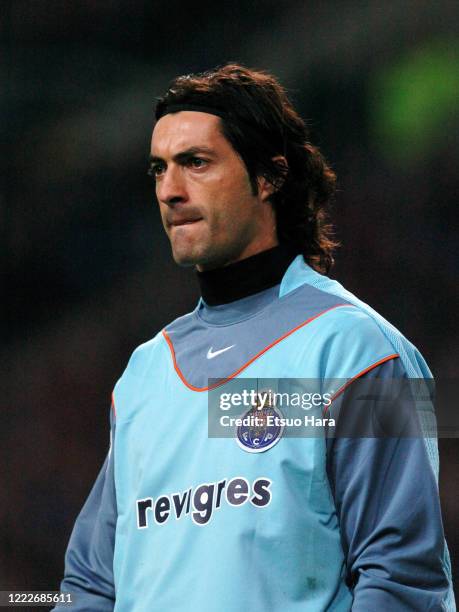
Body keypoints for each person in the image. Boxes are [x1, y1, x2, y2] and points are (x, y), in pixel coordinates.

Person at [55, 64, 454, 611]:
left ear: (269, 177)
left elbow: (404, 580)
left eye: (195, 163)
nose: (170, 191)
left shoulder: (362, 350)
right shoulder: (143, 374)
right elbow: (90, 586)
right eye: (158, 169)